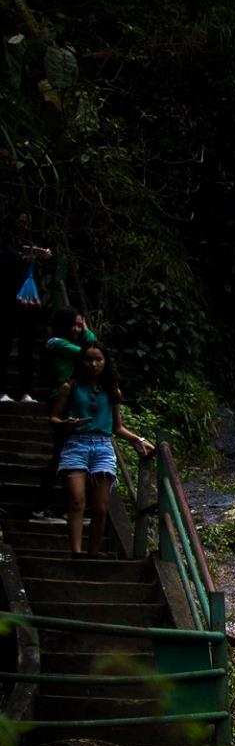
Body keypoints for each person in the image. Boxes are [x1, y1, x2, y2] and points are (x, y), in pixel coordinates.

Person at [49, 343, 154, 558]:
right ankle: (76, 552)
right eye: (89, 359)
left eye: (98, 359)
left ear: (105, 362)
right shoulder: (70, 387)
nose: (94, 364)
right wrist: (66, 423)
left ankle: (93, 552)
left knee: (100, 507)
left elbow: (117, 427)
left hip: (103, 446)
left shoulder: (111, 391)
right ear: (82, 362)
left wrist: (138, 439)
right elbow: (54, 417)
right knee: (77, 500)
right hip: (76, 444)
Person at [35, 307, 96, 521]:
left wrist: (85, 327)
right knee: (61, 454)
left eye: (80, 325)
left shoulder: (69, 344)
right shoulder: (57, 343)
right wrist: (87, 331)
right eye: (75, 324)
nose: (78, 329)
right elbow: (90, 351)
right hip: (60, 399)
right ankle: (41, 506)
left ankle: (64, 507)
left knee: (70, 455)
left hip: (73, 399)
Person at [6, 213, 53, 402]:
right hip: (10, 299)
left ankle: (26, 390)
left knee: (28, 346)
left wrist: (44, 256)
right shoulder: (8, 244)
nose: (24, 226)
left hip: (31, 302)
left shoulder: (35, 243)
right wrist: (21, 257)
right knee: (6, 343)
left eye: (27, 223)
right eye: (21, 222)